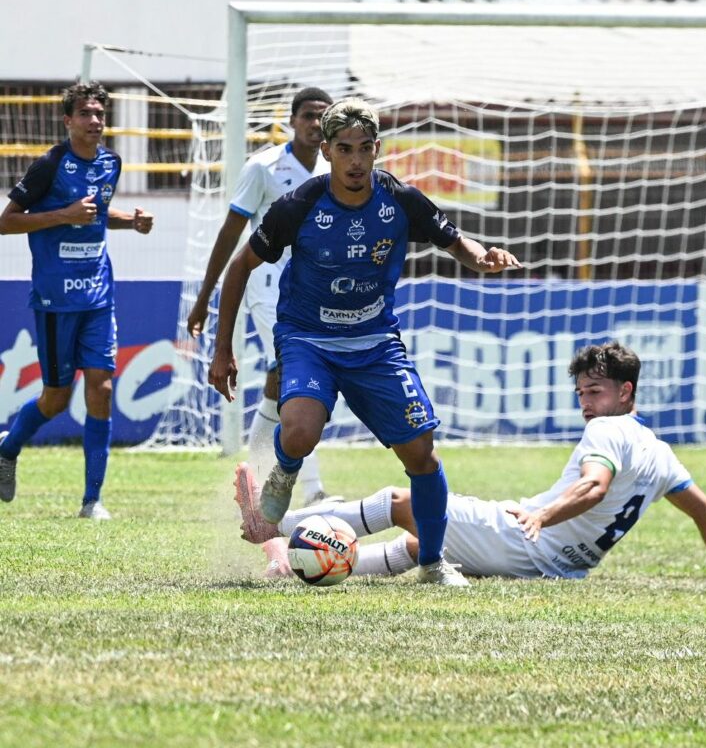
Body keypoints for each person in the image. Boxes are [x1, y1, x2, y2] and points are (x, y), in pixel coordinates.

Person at [209, 98, 521, 586]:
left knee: (422, 453)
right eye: (343, 149)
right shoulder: (301, 204)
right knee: (299, 431)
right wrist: (223, 348)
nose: (355, 161)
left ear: (377, 149)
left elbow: (456, 241)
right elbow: (240, 267)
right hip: (308, 338)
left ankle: (433, 564)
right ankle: (285, 470)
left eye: (363, 150)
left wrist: (483, 257)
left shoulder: (400, 199)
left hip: (375, 342)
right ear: (328, 152)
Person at [235, 341, 706, 583]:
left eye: (596, 391)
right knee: (426, 543)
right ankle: (291, 566)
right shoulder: (661, 452)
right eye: (581, 392)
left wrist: (540, 517)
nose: (587, 403)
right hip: (565, 566)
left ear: (626, 392)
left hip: (527, 540)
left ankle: (275, 524)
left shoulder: (609, 430)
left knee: (405, 502)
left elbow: (594, 488)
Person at [0, 82, 154, 519]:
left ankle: (92, 501)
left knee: (101, 388)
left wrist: (132, 222)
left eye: (100, 114)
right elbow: (7, 223)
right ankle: (7, 448)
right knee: (55, 399)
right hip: (55, 299)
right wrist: (63, 216)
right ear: (68, 120)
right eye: (85, 113)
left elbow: (99, 214)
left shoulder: (111, 163)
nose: (95, 121)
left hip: (98, 295)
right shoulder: (50, 164)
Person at [188, 87, 336, 507]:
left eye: (321, 117)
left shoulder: (339, 170)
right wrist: (204, 297)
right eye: (307, 115)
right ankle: (313, 490)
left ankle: (253, 481)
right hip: (267, 290)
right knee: (292, 372)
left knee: (282, 385)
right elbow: (230, 234)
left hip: (315, 292)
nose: (313, 123)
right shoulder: (263, 168)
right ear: (291, 121)